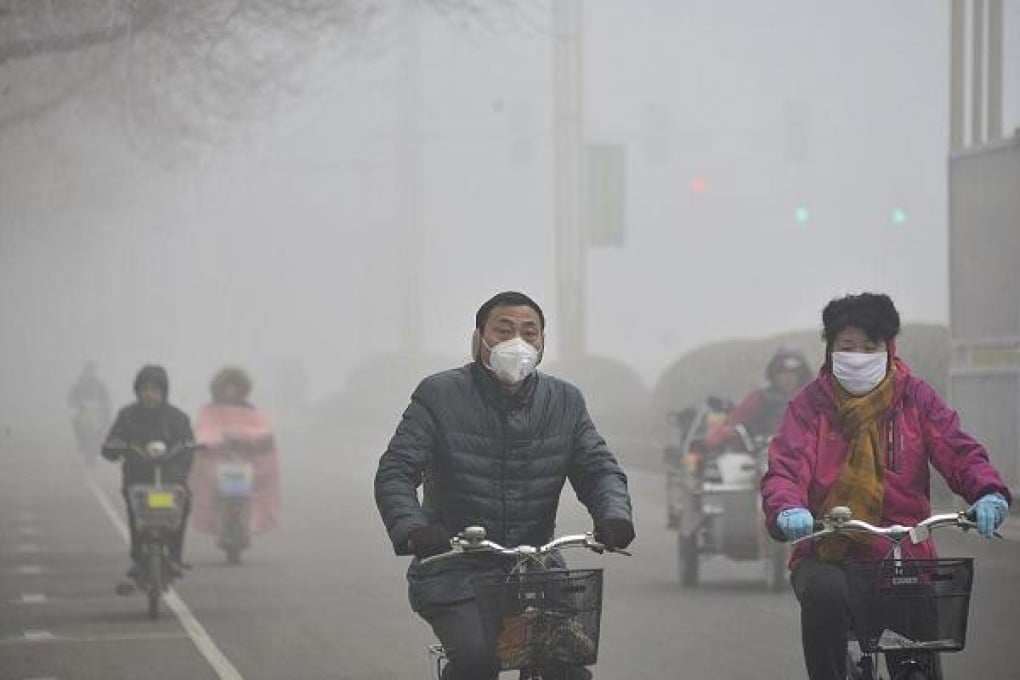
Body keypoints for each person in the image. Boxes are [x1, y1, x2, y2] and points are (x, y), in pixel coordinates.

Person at [374, 291, 634, 680]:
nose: (518, 341)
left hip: (536, 566)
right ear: (479, 338)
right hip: (454, 567)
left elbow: (599, 469)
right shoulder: (439, 394)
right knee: (479, 661)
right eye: (504, 329)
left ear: (543, 343)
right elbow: (396, 470)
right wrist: (414, 528)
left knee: (568, 669)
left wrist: (614, 515)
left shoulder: (565, 401)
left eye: (530, 332)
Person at [761, 292, 1012, 680]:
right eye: (847, 347)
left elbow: (958, 450)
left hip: (904, 552)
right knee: (825, 596)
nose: (858, 356)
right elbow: (785, 471)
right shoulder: (809, 407)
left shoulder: (916, 399)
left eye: (869, 346)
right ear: (830, 351)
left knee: (920, 652)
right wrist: (788, 509)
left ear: (889, 348)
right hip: (828, 553)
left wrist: (988, 492)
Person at [101, 365, 195, 579]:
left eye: (155, 389)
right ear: (137, 391)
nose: (150, 394)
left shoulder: (178, 418)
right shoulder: (127, 416)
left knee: (183, 502)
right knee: (137, 513)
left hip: (170, 479)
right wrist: (113, 447)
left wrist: (179, 467)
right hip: (137, 477)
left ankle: (174, 556)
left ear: (164, 391)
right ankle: (138, 556)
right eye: (145, 389)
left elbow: (188, 447)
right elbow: (111, 445)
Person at [189, 367, 281, 547]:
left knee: (250, 491)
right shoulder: (210, 411)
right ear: (218, 389)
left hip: (247, 462)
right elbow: (204, 431)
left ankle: (246, 525)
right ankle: (220, 525)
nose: (231, 391)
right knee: (211, 481)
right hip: (217, 462)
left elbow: (263, 432)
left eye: (235, 387)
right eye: (227, 387)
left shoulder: (252, 412)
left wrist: (247, 440)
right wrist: (215, 441)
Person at [704, 345, 812, 449]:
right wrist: (724, 434)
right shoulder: (759, 397)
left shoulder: (815, 398)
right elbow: (733, 422)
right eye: (781, 372)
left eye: (793, 373)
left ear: (801, 374)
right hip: (765, 458)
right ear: (773, 375)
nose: (787, 378)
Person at [67, 362, 112, 465]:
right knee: (79, 428)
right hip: (82, 415)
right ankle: (83, 446)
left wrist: (106, 416)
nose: (90, 373)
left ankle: (92, 456)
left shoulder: (100, 386)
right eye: (88, 370)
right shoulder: (78, 385)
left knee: (96, 438)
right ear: (85, 371)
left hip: (97, 417)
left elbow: (106, 401)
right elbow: (71, 399)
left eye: (92, 370)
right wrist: (80, 405)